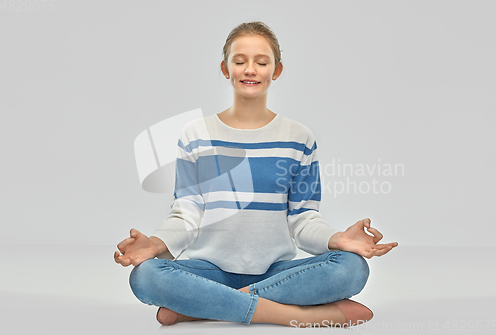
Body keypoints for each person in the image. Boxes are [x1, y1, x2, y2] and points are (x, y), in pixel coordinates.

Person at [114, 21, 398, 328]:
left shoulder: (298, 137)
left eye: (261, 62)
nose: (250, 69)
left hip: (277, 271)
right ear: (225, 69)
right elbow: (186, 214)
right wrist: (156, 244)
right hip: (210, 268)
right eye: (240, 61)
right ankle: (295, 316)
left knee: (351, 269)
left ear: (276, 71)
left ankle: (203, 305)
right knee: (146, 276)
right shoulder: (196, 134)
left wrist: (337, 239)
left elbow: (303, 219)